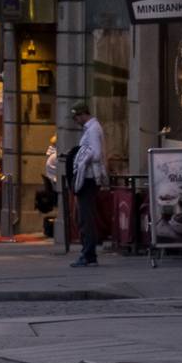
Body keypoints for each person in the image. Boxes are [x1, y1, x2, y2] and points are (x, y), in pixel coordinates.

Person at [68, 105, 105, 266]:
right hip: (87, 177)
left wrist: (82, 158)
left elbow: (96, 153)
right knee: (83, 216)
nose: (75, 121)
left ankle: (89, 254)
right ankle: (88, 253)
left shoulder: (93, 129)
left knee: (85, 217)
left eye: (76, 117)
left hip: (88, 178)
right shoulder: (91, 129)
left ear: (83, 114)